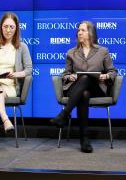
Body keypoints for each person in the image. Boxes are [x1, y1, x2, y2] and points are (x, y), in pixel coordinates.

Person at [50, 21, 117, 153]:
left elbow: (113, 72)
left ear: (90, 33)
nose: (79, 32)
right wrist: (70, 77)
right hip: (76, 88)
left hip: (96, 88)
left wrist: (106, 77)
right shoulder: (71, 52)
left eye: (83, 30)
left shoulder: (102, 51)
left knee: (86, 78)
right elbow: (65, 74)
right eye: (78, 30)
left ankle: (64, 114)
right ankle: (84, 140)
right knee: (84, 94)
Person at [0, 12, 33, 148]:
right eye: (5, 26)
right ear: (1, 28)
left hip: (9, 85)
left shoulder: (22, 47)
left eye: (12, 27)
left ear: (17, 29)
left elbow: (28, 70)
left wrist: (14, 74)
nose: (8, 30)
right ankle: (5, 119)